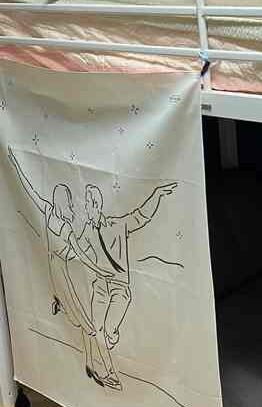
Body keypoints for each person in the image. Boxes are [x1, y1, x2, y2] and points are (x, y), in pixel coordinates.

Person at [7, 147, 112, 383]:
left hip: (53, 271)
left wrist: (14, 162)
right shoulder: (65, 227)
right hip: (64, 274)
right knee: (88, 324)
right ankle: (93, 365)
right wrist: (99, 270)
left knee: (83, 319)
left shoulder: (46, 210)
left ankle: (87, 362)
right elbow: (80, 255)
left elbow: (29, 189)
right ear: (65, 203)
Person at [79, 182, 178, 390]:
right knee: (97, 331)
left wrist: (156, 194)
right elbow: (76, 250)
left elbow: (140, 216)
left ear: (95, 205)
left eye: (87, 204)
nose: (85, 209)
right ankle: (110, 373)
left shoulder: (117, 225)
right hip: (99, 287)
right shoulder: (87, 232)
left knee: (108, 330)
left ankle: (113, 333)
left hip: (119, 288)